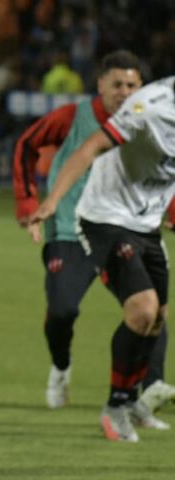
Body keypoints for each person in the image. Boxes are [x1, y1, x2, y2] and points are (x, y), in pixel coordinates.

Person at [14, 51, 174, 420]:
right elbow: (26, 144)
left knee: (149, 307)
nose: (124, 92)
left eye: (132, 85)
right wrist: (29, 203)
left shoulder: (151, 122)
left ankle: (145, 391)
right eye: (116, 84)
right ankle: (61, 366)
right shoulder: (75, 117)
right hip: (71, 228)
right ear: (100, 84)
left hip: (123, 228)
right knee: (63, 310)